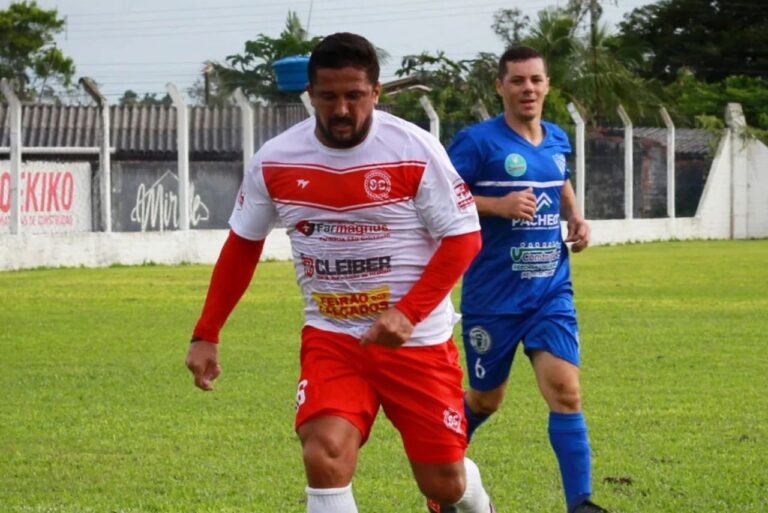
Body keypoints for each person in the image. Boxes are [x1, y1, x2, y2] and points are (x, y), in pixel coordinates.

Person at [185, 32, 496, 513]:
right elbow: (242, 246)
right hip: (332, 336)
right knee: (323, 454)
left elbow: (464, 238)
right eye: (328, 96)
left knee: (443, 484)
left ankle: (474, 497)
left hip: (417, 341)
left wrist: (407, 314)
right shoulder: (276, 159)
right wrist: (207, 332)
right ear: (310, 95)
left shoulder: (414, 149)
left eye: (354, 95)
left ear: (376, 92)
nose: (342, 109)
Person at [446, 46, 608, 513]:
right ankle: (442, 467)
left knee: (566, 392)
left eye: (535, 80)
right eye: (517, 80)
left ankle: (580, 503)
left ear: (547, 85)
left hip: (550, 290)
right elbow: (442, 196)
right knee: (486, 399)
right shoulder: (476, 142)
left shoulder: (556, 137)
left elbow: (559, 180)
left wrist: (575, 217)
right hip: (493, 296)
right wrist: (497, 205)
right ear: (500, 87)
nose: (528, 89)